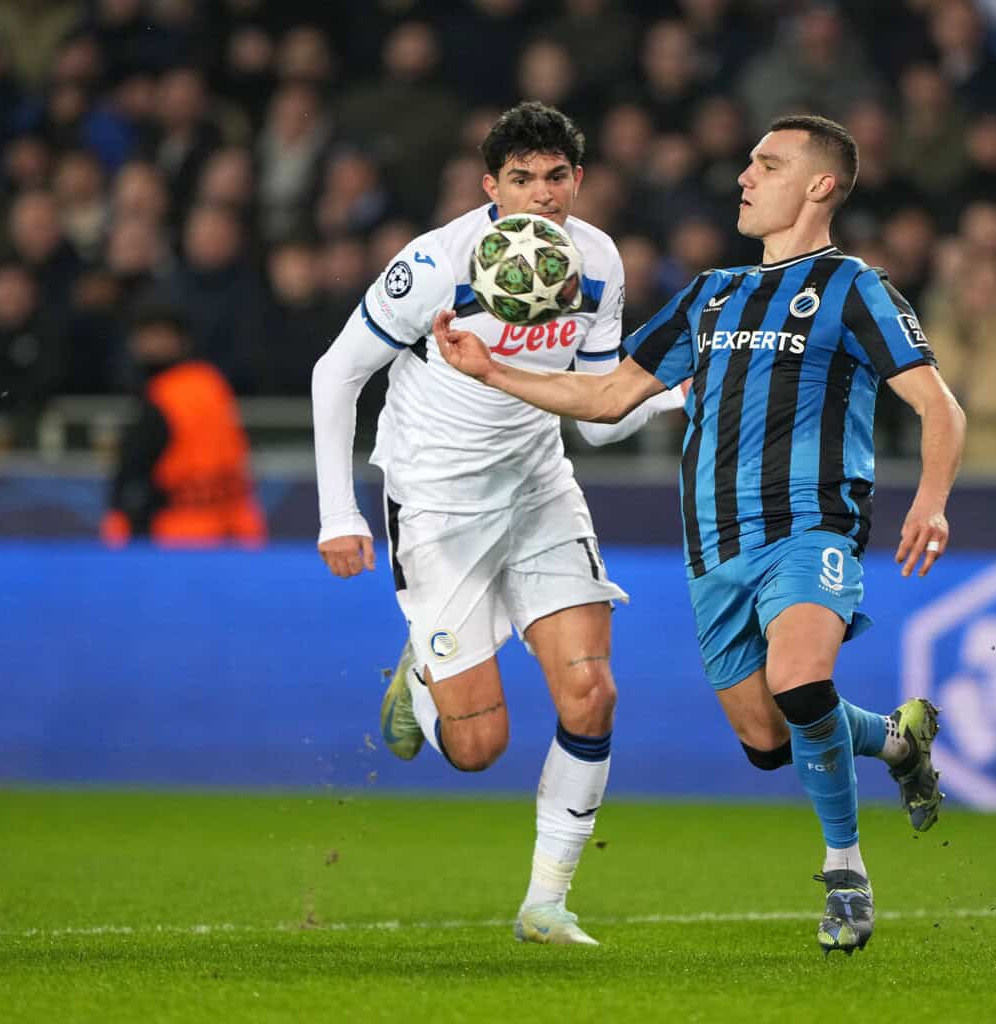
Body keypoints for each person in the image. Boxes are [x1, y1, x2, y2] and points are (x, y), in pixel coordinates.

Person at [434, 114, 966, 955]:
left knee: (800, 682)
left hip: (811, 527)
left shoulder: (853, 287)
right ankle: (897, 742)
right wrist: (492, 370)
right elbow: (608, 396)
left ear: (819, 185)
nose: (744, 177)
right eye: (749, 163)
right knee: (767, 739)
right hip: (714, 548)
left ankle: (845, 873)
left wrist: (931, 501)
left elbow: (940, 406)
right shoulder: (712, 293)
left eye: (768, 164)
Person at [309, 102, 685, 947]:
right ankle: (420, 679)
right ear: (491, 187)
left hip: (539, 487)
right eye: (522, 178)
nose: (541, 194)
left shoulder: (597, 261)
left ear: (578, 181)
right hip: (436, 503)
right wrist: (338, 512)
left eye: (556, 177)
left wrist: (671, 397)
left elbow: (596, 416)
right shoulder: (436, 264)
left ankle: (546, 904)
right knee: (478, 747)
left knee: (592, 692)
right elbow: (337, 373)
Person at [100, 305, 267, 546]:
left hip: (181, 532)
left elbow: (133, 471)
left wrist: (121, 524)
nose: (153, 345)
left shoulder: (162, 396)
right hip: (236, 528)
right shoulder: (212, 381)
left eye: (160, 336)